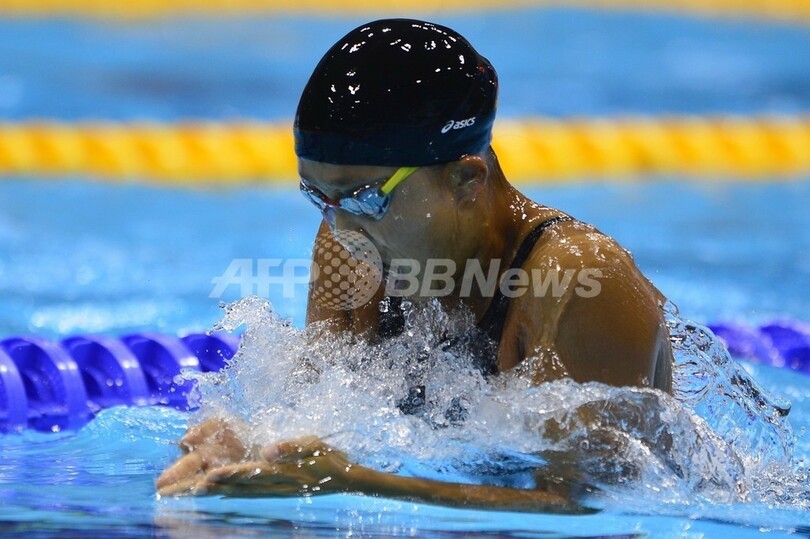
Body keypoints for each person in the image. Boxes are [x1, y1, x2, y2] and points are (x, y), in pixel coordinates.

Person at [156, 18, 673, 512]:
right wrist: (256, 447)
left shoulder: (580, 282)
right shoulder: (348, 248)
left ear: (466, 180)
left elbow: (588, 506)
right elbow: (325, 422)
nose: (342, 231)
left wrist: (355, 484)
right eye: (319, 198)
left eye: (366, 199)